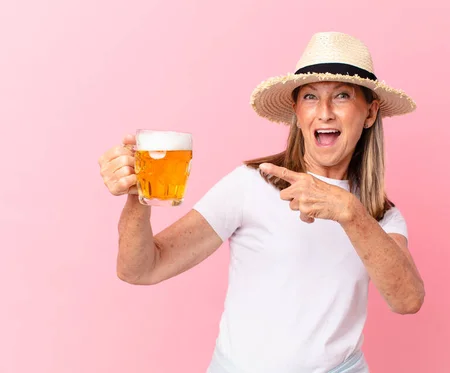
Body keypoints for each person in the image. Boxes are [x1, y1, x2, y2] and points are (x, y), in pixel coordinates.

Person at [98, 31, 425, 373]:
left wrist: (351, 213)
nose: (325, 112)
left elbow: (407, 300)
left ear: (370, 113)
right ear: (297, 112)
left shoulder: (381, 215)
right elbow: (140, 269)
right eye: (311, 97)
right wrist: (139, 196)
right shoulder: (249, 185)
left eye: (342, 96)